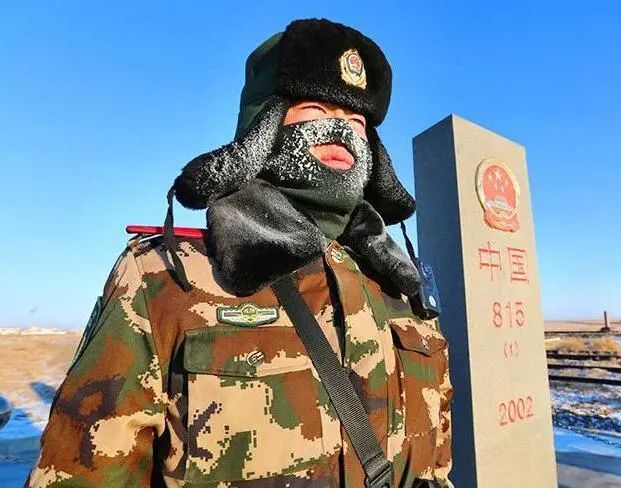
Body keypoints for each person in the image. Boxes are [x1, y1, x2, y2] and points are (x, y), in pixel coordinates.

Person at [27, 18, 452, 488]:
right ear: (262, 128)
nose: (342, 131)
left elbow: (437, 458)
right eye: (315, 109)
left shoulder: (397, 286)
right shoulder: (165, 277)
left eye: (357, 121)